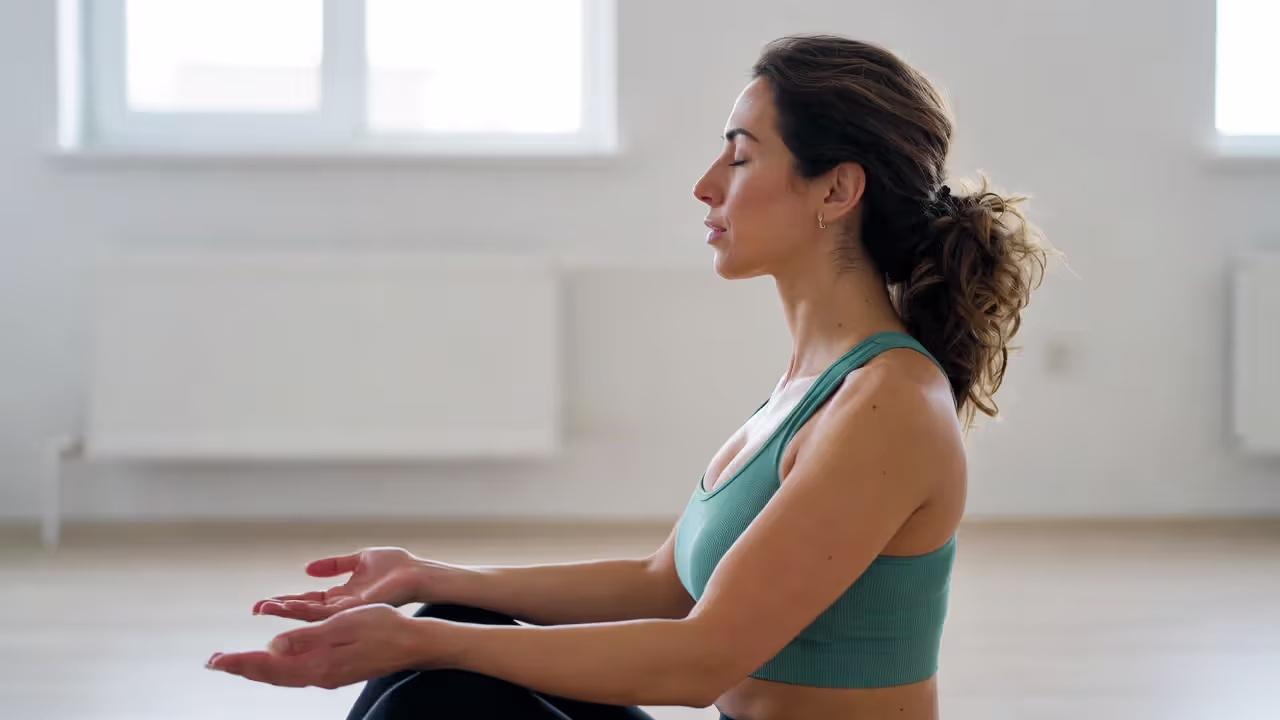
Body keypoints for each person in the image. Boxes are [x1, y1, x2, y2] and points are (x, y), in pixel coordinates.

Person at [205, 34, 1051, 720]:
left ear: (836, 190)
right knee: (455, 627)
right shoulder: (817, 382)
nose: (705, 185)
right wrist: (428, 580)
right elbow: (667, 586)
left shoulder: (889, 403)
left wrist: (419, 643)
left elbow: (700, 660)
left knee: (437, 689)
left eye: (742, 158)